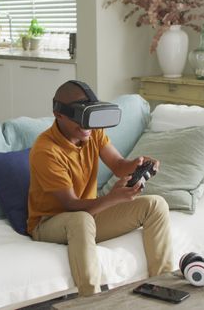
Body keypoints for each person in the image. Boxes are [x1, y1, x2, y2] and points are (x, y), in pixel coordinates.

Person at [27, 80, 173, 296]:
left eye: (89, 118)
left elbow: (118, 165)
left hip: (89, 217)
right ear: (59, 114)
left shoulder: (92, 132)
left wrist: (137, 164)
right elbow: (71, 205)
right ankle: (91, 301)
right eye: (80, 119)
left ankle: (163, 288)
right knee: (81, 219)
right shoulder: (45, 149)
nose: (86, 127)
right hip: (50, 223)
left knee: (156, 204)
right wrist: (114, 198)